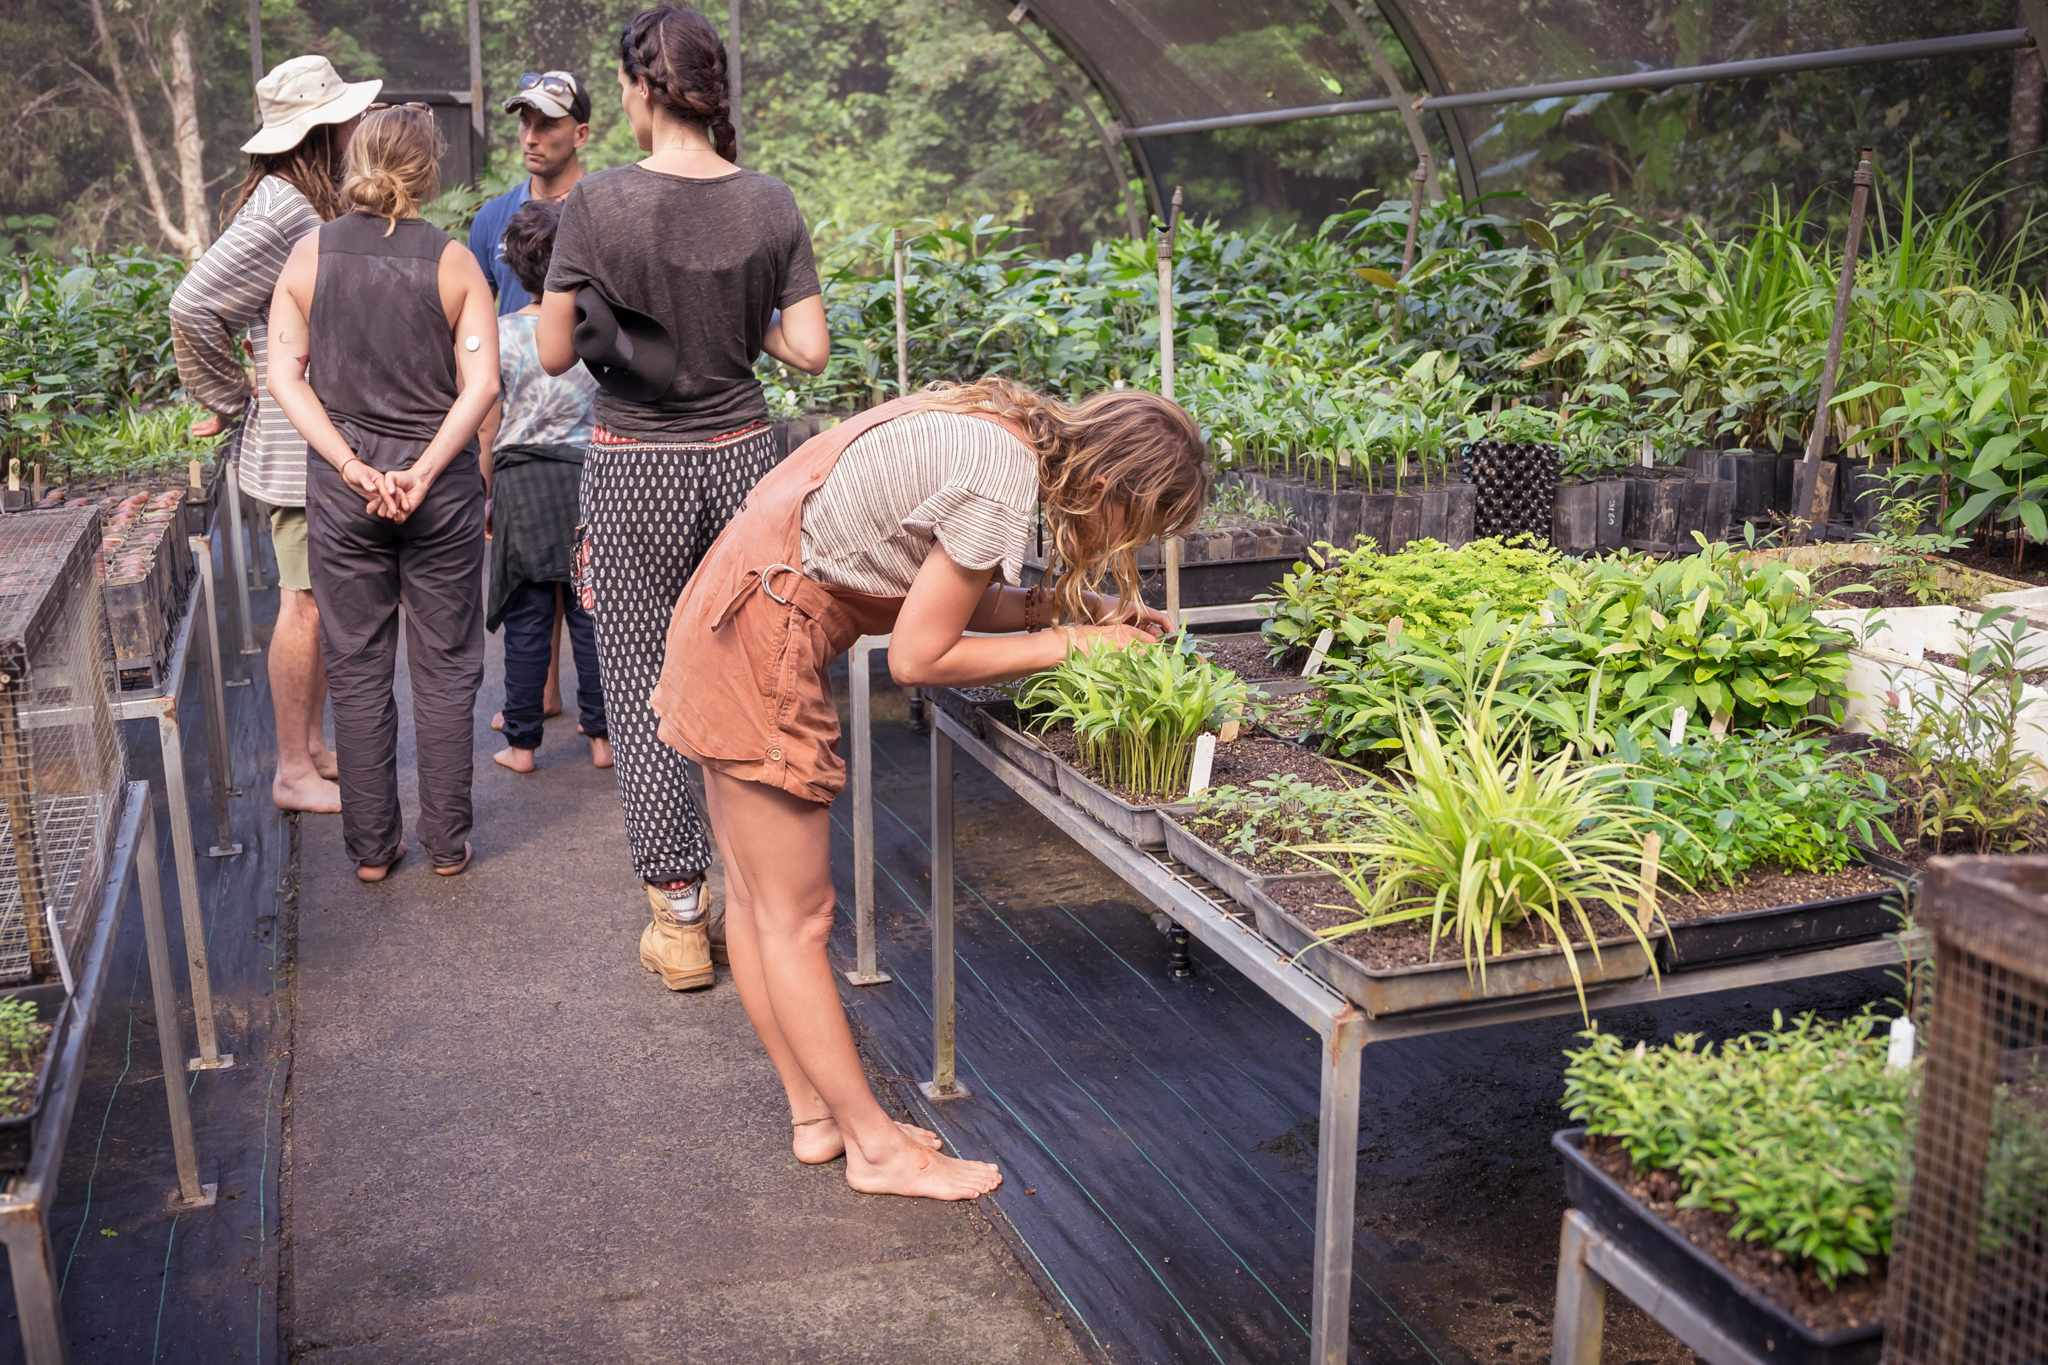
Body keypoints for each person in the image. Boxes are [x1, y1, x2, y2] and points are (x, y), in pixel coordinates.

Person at [647, 380, 1205, 1199]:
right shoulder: (998, 482)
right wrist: (1072, 645)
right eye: (1140, 525)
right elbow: (921, 655)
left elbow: (958, 596)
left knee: (765, 908)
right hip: (761, 647)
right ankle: (875, 1148)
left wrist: (1082, 608)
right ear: (1111, 490)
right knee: (800, 921)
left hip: (733, 612)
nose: (1129, 543)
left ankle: (819, 1117)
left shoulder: (1004, 424)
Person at [536, 4, 828, 991]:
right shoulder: (770, 201)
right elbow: (808, 349)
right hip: (747, 465)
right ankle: (763, 896)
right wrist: (742, 323)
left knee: (642, 685)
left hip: (635, 468)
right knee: (751, 676)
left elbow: (544, 351)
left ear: (641, 89)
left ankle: (679, 923)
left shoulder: (600, 204)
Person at [265, 106, 500, 882]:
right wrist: (425, 471)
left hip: (345, 500)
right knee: (445, 666)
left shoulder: (305, 258)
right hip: (439, 497)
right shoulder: (456, 262)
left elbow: (283, 379)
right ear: (429, 172)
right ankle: (447, 844)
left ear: (351, 164)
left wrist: (349, 466)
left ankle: (371, 851)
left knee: (359, 665)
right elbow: (482, 386)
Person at [171, 55, 381, 814]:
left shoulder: (293, 200)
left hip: (309, 440)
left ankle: (313, 745)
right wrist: (234, 392)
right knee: (306, 604)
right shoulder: (284, 209)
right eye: (348, 119)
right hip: (297, 449)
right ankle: (291, 768)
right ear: (322, 132)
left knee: (317, 597)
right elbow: (191, 304)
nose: (358, 128)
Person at [478, 200, 609, 774]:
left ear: (514, 267)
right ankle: (605, 741)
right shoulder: (596, 333)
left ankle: (523, 745)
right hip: (590, 479)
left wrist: (484, 492)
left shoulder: (502, 334)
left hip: (521, 483)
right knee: (592, 614)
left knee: (528, 619)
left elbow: (487, 423)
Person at [470, 71, 591, 315]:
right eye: (525, 123)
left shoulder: (602, 213)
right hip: (510, 353)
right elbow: (472, 315)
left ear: (580, 135)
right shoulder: (492, 217)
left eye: (547, 125)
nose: (531, 138)